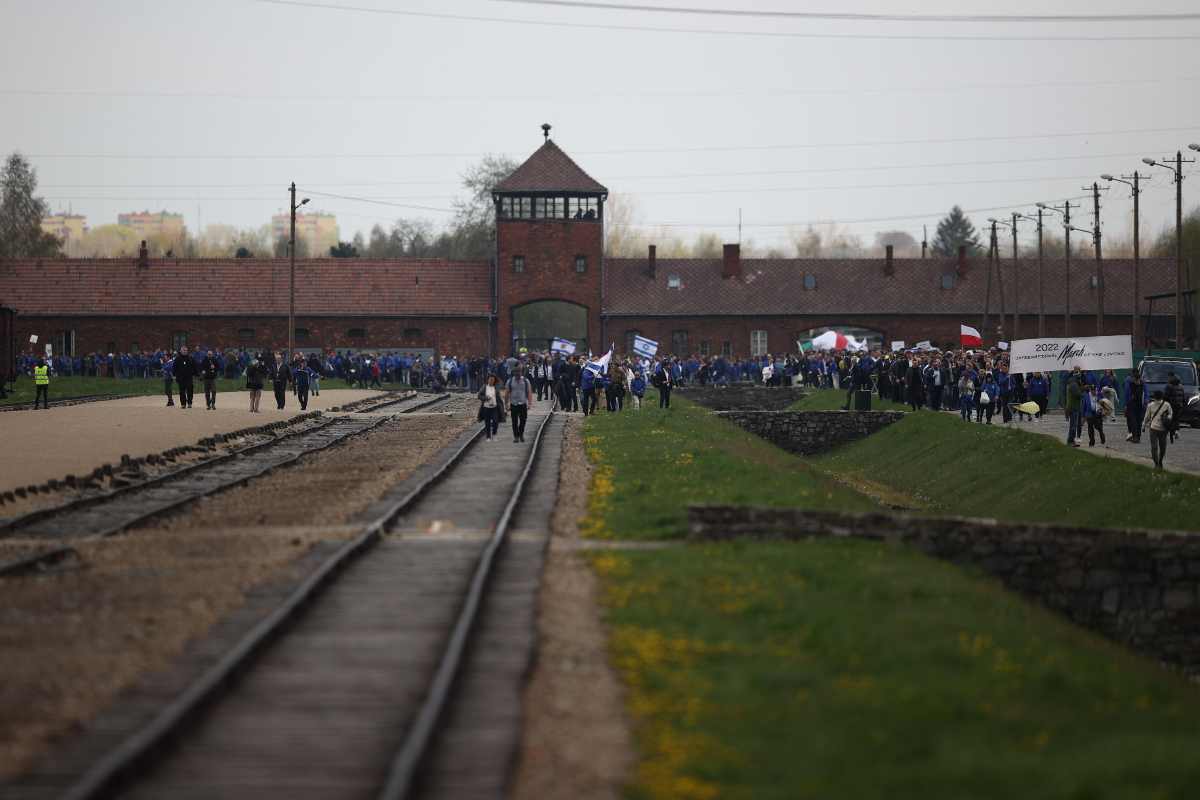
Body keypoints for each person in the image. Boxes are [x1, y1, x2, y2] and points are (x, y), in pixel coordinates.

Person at [1143, 390, 1174, 470]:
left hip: (1153, 429)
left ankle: (1156, 463)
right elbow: (1171, 414)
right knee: (1163, 447)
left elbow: (1147, 417)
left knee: (1154, 447)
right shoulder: (1167, 404)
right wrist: (1167, 418)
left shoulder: (1150, 405)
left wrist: (1143, 426)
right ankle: (1159, 462)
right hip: (1163, 429)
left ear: (1154, 397)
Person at [505, 365, 533, 443]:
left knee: (523, 421)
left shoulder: (526, 381)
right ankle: (516, 436)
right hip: (513, 404)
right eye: (516, 372)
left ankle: (521, 434)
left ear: (521, 372)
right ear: (513, 372)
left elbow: (529, 393)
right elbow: (507, 393)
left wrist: (529, 403)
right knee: (514, 421)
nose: (518, 373)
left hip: (523, 404)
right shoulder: (509, 381)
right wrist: (506, 404)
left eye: (519, 372)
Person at [1123, 370, 1148, 443]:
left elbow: (1127, 394)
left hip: (1132, 404)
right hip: (1140, 404)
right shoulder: (1143, 383)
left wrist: (1126, 404)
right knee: (1138, 421)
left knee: (1134, 421)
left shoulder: (1129, 383)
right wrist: (1146, 401)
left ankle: (1135, 437)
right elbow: (1146, 393)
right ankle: (1138, 437)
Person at [478, 374, 501, 440]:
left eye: (493, 380)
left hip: (494, 407)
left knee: (495, 421)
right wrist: (485, 398)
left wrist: (502, 406)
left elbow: (499, 397)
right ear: (487, 380)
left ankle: (494, 434)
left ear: (494, 381)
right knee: (487, 423)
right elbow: (479, 395)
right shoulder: (484, 387)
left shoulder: (496, 387)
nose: (491, 381)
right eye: (490, 379)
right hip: (486, 407)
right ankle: (488, 436)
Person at [1064, 369, 1083, 447]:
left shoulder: (1073, 382)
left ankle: (1071, 440)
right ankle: (1070, 441)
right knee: (1073, 425)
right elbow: (1077, 394)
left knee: (1073, 425)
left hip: (1074, 406)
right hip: (1073, 407)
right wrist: (1083, 390)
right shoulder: (1073, 383)